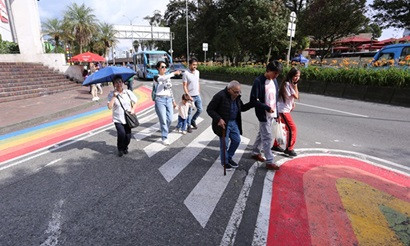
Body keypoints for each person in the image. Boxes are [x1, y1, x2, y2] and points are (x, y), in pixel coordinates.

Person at [207, 80, 252, 170]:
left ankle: (229, 157)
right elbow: (210, 109)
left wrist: (253, 104)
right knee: (225, 144)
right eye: (236, 92)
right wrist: (219, 119)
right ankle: (225, 162)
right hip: (223, 123)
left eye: (239, 92)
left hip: (233, 122)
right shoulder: (220, 96)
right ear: (229, 90)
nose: (238, 94)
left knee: (237, 140)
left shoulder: (237, 97)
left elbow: (242, 108)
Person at [250, 60, 283, 170]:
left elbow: (275, 98)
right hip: (263, 114)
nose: (276, 76)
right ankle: (269, 161)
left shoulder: (274, 81)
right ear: (268, 70)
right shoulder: (258, 81)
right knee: (267, 137)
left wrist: (277, 113)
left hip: (272, 114)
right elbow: (253, 100)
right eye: (274, 73)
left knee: (262, 133)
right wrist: (266, 108)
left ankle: (255, 152)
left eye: (277, 74)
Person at [271, 67, 300, 157]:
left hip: (282, 110)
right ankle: (289, 149)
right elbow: (296, 96)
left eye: (298, 76)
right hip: (283, 111)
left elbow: (292, 98)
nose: (297, 78)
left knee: (282, 128)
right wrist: (295, 86)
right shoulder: (288, 84)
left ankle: (276, 145)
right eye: (295, 76)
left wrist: (292, 103)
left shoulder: (289, 84)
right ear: (291, 75)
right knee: (292, 129)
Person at [107, 75, 138, 157]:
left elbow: (135, 101)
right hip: (118, 119)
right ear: (113, 84)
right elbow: (110, 107)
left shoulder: (128, 92)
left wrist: (133, 109)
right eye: (116, 82)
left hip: (128, 118)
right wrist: (114, 97)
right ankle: (120, 148)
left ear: (123, 83)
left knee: (128, 136)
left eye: (120, 82)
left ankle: (125, 147)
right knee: (121, 133)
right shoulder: (111, 94)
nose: (118, 84)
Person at [154, 61, 182, 145]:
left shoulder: (167, 77)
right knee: (163, 120)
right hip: (159, 100)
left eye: (165, 67)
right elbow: (162, 79)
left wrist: (173, 101)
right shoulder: (156, 77)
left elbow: (170, 89)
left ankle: (164, 130)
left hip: (168, 99)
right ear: (158, 68)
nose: (164, 68)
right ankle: (164, 137)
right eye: (162, 67)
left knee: (169, 119)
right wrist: (173, 73)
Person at [183, 57, 202, 133]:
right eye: (193, 65)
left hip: (197, 95)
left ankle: (193, 120)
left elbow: (198, 82)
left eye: (196, 65)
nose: (195, 66)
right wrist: (188, 96)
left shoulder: (197, 72)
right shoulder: (186, 73)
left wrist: (199, 91)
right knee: (189, 112)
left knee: (200, 110)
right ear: (189, 64)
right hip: (190, 96)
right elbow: (184, 85)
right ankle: (188, 126)